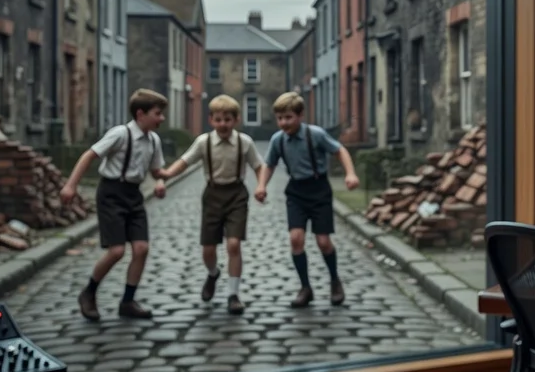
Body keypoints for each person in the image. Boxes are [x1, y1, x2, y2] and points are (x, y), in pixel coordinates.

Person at [59, 89, 169, 320]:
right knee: (117, 251)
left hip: (134, 195)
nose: (162, 119)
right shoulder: (120, 134)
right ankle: (89, 292)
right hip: (111, 193)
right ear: (141, 114)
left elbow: (157, 170)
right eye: (158, 114)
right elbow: (89, 155)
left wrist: (160, 181)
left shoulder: (153, 140)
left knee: (142, 248)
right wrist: (71, 186)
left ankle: (127, 302)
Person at [158, 94, 263, 315]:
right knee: (208, 249)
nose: (222, 124)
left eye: (227, 119)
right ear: (211, 120)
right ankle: (213, 273)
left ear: (236, 120)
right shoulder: (203, 142)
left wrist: (261, 186)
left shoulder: (244, 143)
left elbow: (259, 166)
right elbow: (184, 162)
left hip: (236, 195)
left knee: (233, 244)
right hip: (212, 195)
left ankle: (233, 295)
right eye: (218, 120)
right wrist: (165, 176)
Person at [255, 92, 360, 307]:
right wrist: (261, 185)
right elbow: (270, 164)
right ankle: (305, 287)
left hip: (319, 188)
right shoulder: (278, 140)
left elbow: (340, 150)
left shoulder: (316, 134)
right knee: (296, 239)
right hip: (296, 191)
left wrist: (350, 173)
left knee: (323, 241)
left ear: (300, 115)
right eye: (280, 118)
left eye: (288, 117)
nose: (284, 123)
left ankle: (334, 280)